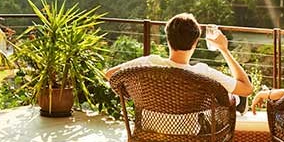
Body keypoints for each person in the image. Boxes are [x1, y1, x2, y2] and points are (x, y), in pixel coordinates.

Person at [105, 13, 254, 119]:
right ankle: (238, 102)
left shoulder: (149, 62)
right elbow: (247, 89)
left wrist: (134, 94)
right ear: (195, 43)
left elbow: (110, 74)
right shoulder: (203, 72)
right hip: (193, 132)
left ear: (168, 40)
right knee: (228, 96)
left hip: (152, 129)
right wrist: (224, 49)